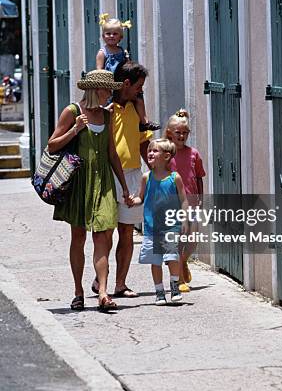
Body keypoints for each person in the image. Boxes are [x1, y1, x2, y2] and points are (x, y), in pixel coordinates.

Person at [49, 70, 133, 312]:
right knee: (79, 237)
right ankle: (78, 292)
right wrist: (74, 130)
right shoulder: (72, 111)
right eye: (108, 90)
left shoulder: (107, 116)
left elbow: (112, 153)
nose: (111, 94)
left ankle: (104, 293)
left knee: (104, 235)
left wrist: (125, 187)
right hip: (79, 182)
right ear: (97, 90)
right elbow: (52, 145)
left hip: (104, 181)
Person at [91, 60, 153, 298]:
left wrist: (157, 176)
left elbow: (143, 143)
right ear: (126, 83)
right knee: (106, 232)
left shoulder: (137, 110)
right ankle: (101, 279)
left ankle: (120, 284)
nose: (141, 90)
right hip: (109, 175)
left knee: (127, 232)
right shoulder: (106, 111)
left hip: (133, 175)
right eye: (139, 86)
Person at [134, 138, 188, 305]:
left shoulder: (174, 178)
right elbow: (140, 198)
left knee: (172, 257)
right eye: (149, 150)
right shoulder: (146, 177)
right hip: (151, 228)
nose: (150, 153)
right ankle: (159, 292)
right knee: (155, 261)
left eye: (154, 151)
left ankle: (174, 286)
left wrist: (185, 220)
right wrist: (131, 200)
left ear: (166, 156)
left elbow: (184, 200)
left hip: (171, 226)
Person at [164, 109, 206, 293]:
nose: (181, 136)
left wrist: (201, 199)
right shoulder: (166, 153)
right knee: (179, 241)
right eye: (178, 132)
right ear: (169, 133)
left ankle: (183, 262)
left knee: (194, 239)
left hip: (192, 202)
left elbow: (198, 177)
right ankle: (180, 278)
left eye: (185, 133)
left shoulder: (193, 154)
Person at [96, 14, 159, 131]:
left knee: (138, 96)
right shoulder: (102, 53)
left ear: (120, 37)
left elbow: (128, 65)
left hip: (123, 81)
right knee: (108, 103)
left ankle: (144, 121)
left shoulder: (122, 51)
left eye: (115, 34)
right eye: (108, 34)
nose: (111, 36)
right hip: (110, 83)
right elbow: (99, 70)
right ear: (103, 36)